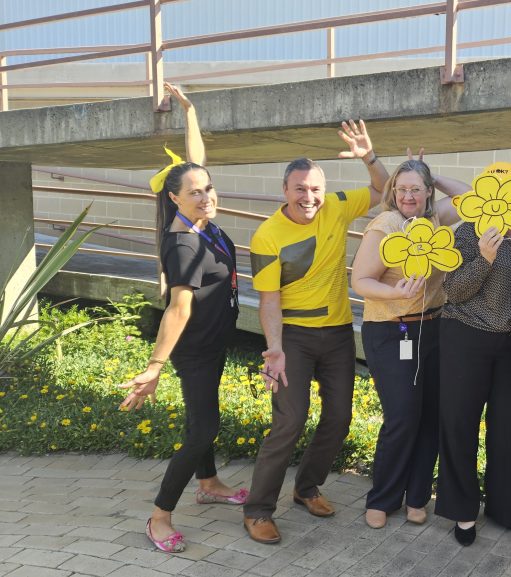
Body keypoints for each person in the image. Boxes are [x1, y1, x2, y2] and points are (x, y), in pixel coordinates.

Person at [242, 120, 389, 544]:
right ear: (285, 191)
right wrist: (275, 349)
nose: (309, 197)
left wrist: (368, 156)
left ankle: (307, 488)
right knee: (289, 422)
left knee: (340, 417)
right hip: (295, 339)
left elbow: (382, 190)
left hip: (340, 332)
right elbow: (269, 300)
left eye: (314, 189)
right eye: (300, 189)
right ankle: (258, 510)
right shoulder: (267, 236)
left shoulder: (337, 206)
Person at [119, 83, 245, 554]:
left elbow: (194, 162)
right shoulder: (183, 243)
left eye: (209, 188)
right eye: (195, 193)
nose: (206, 196)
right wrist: (153, 368)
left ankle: (209, 483)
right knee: (203, 430)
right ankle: (158, 517)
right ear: (175, 199)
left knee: (201, 420)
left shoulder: (200, 222)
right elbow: (178, 307)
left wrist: (192, 112)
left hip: (214, 343)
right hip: (194, 350)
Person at [350, 151, 468, 529]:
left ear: (428, 192)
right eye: (402, 189)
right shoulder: (386, 224)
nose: (408, 197)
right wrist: (396, 295)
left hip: (433, 327)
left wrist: (437, 176)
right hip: (391, 329)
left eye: (416, 189)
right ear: (393, 192)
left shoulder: (436, 218)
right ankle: (383, 498)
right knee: (402, 416)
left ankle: (417, 497)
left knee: (431, 416)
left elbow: (471, 199)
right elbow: (361, 281)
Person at [435, 162, 511, 546]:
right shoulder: (468, 230)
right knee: (460, 423)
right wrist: (484, 258)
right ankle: (462, 512)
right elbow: (454, 290)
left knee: (508, 425)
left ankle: (503, 508)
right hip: (468, 335)